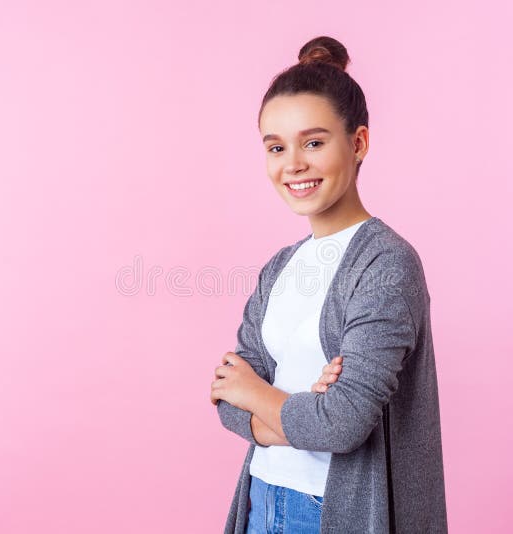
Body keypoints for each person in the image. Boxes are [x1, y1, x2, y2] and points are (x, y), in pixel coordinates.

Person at [210, 35, 448, 533]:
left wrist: (260, 393)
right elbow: (227, 395)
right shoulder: (279, 267)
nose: (292, 164)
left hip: (329, 512)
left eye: (313, 142)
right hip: (262, 498)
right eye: (276, 147)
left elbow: (341, 424)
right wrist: (298, 410)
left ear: (358, 142)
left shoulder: (386, 264)